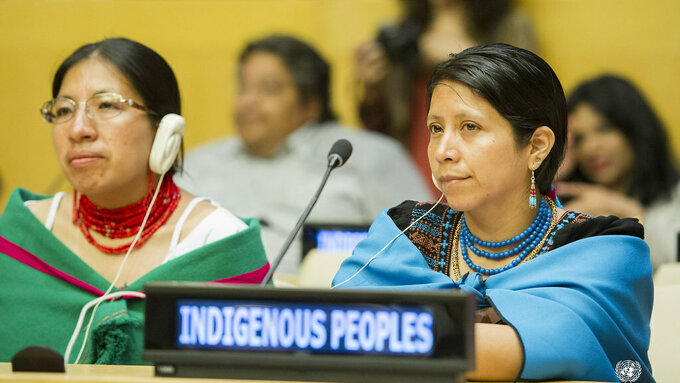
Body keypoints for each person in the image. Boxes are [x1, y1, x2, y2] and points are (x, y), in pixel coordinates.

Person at [333, 44, 654, 382]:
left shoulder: (602, 250)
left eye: (470, 127)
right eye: (436, 128)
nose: (443, 151)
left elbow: (564, 345)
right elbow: (335, 328)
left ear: (536, 146)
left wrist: (375, 332)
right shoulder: (405, 233)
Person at [0, 37, 270, 364]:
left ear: (165, 129)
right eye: (64, 110)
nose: (78, 129)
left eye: (107, 105)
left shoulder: (219, 244)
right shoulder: (20, 238)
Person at [176, 35, 431, 279]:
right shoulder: (199, 162)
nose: (248, 101)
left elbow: (427, 243)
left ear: (311, 104)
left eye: (268, 89)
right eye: (242, 87)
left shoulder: (367, 156)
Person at [356, 0, 536, 194]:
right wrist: (371, 87)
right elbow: (381, 128)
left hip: (480, 161)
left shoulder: (511, 26)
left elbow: (522, 97)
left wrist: (440, 53)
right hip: (415, 160)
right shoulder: (401, 33)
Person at [557, 74, 680, 270]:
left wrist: (631, 213)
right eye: (580, 138)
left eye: (604, 129)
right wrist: (550, 175)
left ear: (634, 129)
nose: (591, 147)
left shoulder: (675, 198)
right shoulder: (568, 207)